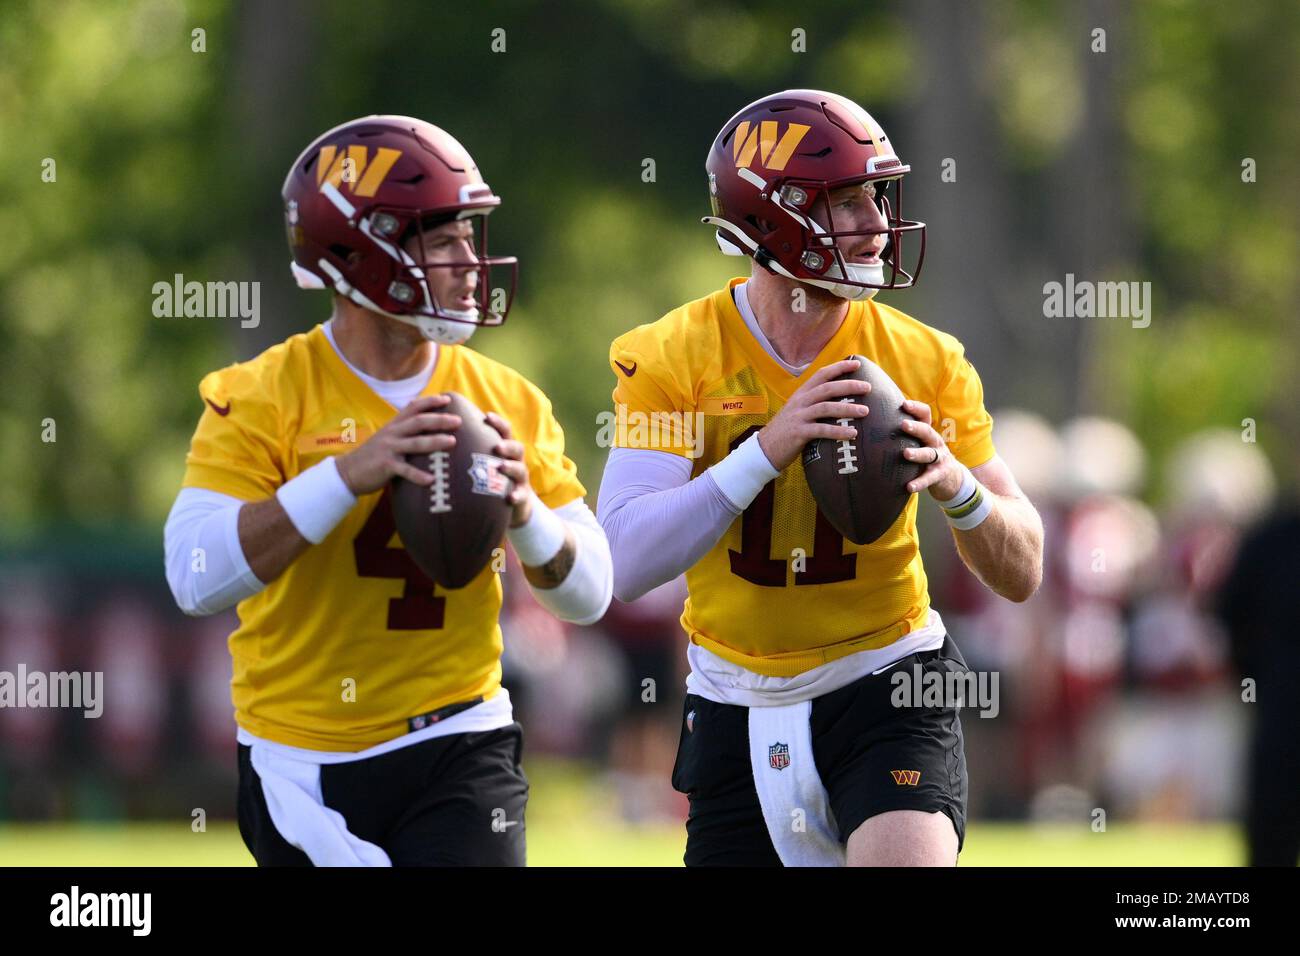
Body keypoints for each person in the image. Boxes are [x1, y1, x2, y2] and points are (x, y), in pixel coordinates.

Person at [597, 90, 1043, 866]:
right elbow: (626, 561)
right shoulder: (672, 356)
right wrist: (765, 449)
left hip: (888, 680)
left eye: (876, 195)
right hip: (733, 697)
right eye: (847, 201)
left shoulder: (925, 360)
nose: (876, 220)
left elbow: (1024, 569)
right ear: (772, 218)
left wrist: (955, 489)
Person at [163, 115, 612, 866]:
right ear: (362, 251)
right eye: (443, 240)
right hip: (301, 758)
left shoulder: (507, 401)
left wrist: (527, 515)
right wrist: (346, 474)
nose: (471, 262)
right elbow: (193, 576)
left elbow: (592, 593)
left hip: (458, 737)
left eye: (470, 236)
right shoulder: (265, 395)